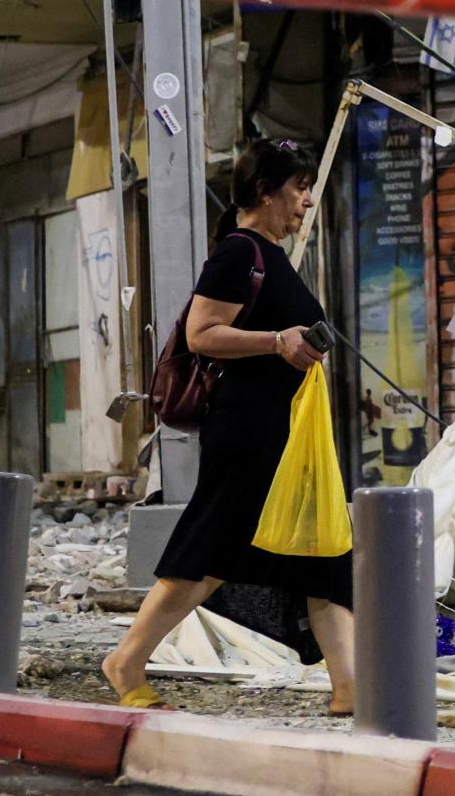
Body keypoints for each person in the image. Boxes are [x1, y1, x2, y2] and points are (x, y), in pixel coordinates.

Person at [102, 138, 355, 715]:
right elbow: (201, 333)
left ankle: (351, 689)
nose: (307, 202)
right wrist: (277, 341)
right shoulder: (239, 253)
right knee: (212, 551)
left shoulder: (269, 252)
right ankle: (125, 662)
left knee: (325, 554)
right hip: (249, 431)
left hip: (288, 434)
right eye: (298, 188)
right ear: (265, 192)